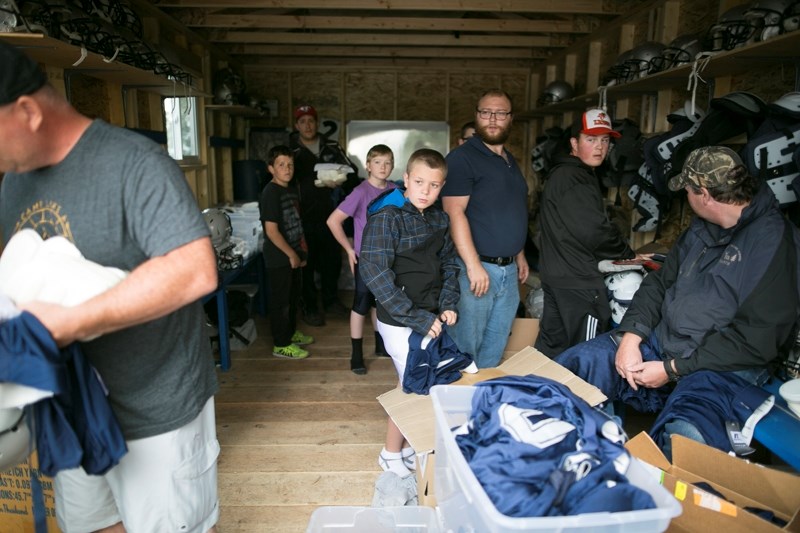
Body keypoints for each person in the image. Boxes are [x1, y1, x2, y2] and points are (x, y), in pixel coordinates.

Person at [0, 41, 220, 532]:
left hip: (156, 409)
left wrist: (73, 321)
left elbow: (195, 270)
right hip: (73, 406)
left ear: (27, 111)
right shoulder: (13, 182)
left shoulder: (133, 163)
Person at [555, 146, 800, 458]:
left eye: (687, 189)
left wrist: (672, 369)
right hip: (664, 343)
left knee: (686, 439)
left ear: (704, 194)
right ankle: (568, 453)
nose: (686, 196)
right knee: (578, 365)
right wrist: (632, 337)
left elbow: (757, 341)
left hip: (721, 367)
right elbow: (659, 283)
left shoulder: (776, 243)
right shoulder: (701, 228)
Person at [360, 148, 460, 477]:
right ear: (405, 179)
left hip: (429, 315)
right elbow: (374, 273)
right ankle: (393, 453)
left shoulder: (438, 219)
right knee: (418, 384)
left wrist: (447, 303)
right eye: (418, 182)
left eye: (433, 186)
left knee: (410, 383)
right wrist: (417, 317)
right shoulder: (387, 216)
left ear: (441, 186)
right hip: (398, 320)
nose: (425, 191)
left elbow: (448, 264)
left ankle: (398, 449)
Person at [534, 108, 640, 358]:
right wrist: (626, 253)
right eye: (591, 139)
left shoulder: (566, 174)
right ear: (574, 143)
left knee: (552, 353)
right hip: (577, 281)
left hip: (559, 277)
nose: (599, 147)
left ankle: (540, 395)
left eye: (605, 140)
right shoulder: (574, 178)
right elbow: (594, 231)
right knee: (587, 355)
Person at [441, 89, 530, 368]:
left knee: (493, 351)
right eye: (485, 112)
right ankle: (455, 409)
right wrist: (472, 265)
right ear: (477, 116)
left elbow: (510, 209)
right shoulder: (461, 158)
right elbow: (454, 212)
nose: (492, 119)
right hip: (478, 271)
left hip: (507, 271)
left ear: (510, 119)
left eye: (500, 113)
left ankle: (480, 407)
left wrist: (519, 253)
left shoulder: (509, 160)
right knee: (464, 352)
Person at [326, 144, 396, 374]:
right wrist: (348, 249)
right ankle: (356, 355)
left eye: (387, 162)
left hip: (389, 259)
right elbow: (333, 221)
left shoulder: (396, 190)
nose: (383, 167)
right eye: (377, 162)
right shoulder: (360, 192)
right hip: (366, 259)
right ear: (368, 165)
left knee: (380, 302)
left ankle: (379, 345)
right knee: (361, 304)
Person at [290, 104, 357, 327]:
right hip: (303, 217)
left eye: (311, 121)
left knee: (331, 261)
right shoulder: (291, 151)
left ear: (317, 123)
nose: (308, 125)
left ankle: (330, 301)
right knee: (307, 264)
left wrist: (341, 181)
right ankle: (309, 306)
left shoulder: (332, 146)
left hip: (332, 215)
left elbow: (353, 174)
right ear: (296, 125)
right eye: (302, 121)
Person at [260, 145, 315, 359]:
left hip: (294, 253)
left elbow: (296, 223)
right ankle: (281, 344)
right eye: (281, 165)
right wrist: (291, 254)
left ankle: (290, 332)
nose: (287, 168)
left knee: (293, 298)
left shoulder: (290, 189)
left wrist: (301, 252)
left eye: (290, 164)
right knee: (281, 302)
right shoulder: (270, 192)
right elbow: (272, 231)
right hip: (279, 258)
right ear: (271, 169)